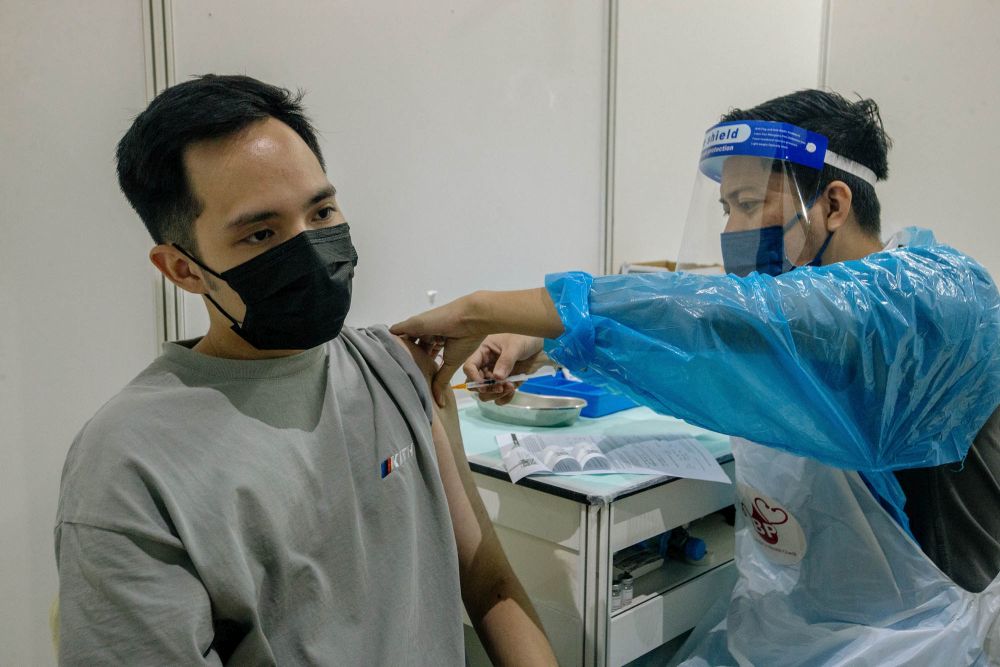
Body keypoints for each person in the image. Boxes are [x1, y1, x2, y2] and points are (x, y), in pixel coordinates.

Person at [391, 90, 1000, 664]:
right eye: (724, 208)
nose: (732, 231)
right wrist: (541, 338)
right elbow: (702, 324)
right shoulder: (793, 308)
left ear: (833, 205)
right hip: (785, 630)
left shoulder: (934, 302)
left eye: (749, 204)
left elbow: (746, 321)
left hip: (914, 643)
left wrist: (486, 309)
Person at [54, 74, 557, 666]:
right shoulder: (128, 466)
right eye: (262, 233)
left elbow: (488, 581)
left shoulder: (395, 369)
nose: (313, 251)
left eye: (321, 211)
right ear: (183, 270)